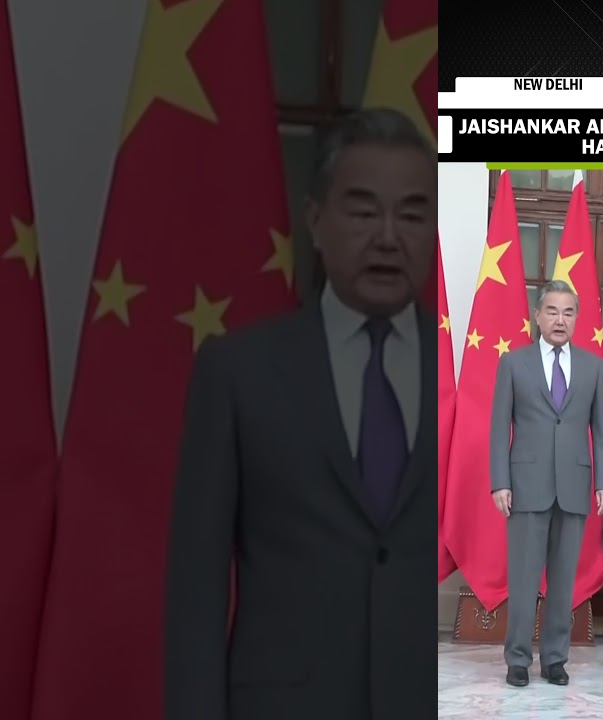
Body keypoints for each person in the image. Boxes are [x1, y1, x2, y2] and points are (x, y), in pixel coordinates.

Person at [163, 107, 436, 720]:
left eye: (413, 214)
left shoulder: (470, 372)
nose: (389, 236)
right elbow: (197, 590)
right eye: (364, 212)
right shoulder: (239, 372)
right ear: (316, 220)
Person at [489, 279, 603, 688]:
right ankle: (518, 660)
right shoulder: (513, 363)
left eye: (568, 312)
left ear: (576, 318)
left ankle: (556, 659)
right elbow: (497, 429)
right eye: (553, 312)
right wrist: (499, 482)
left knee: (563, 581)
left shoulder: (593, 366)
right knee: (524, 579)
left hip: (575, 486)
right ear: (537, 316)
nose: (560, 320)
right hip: (525, 484)